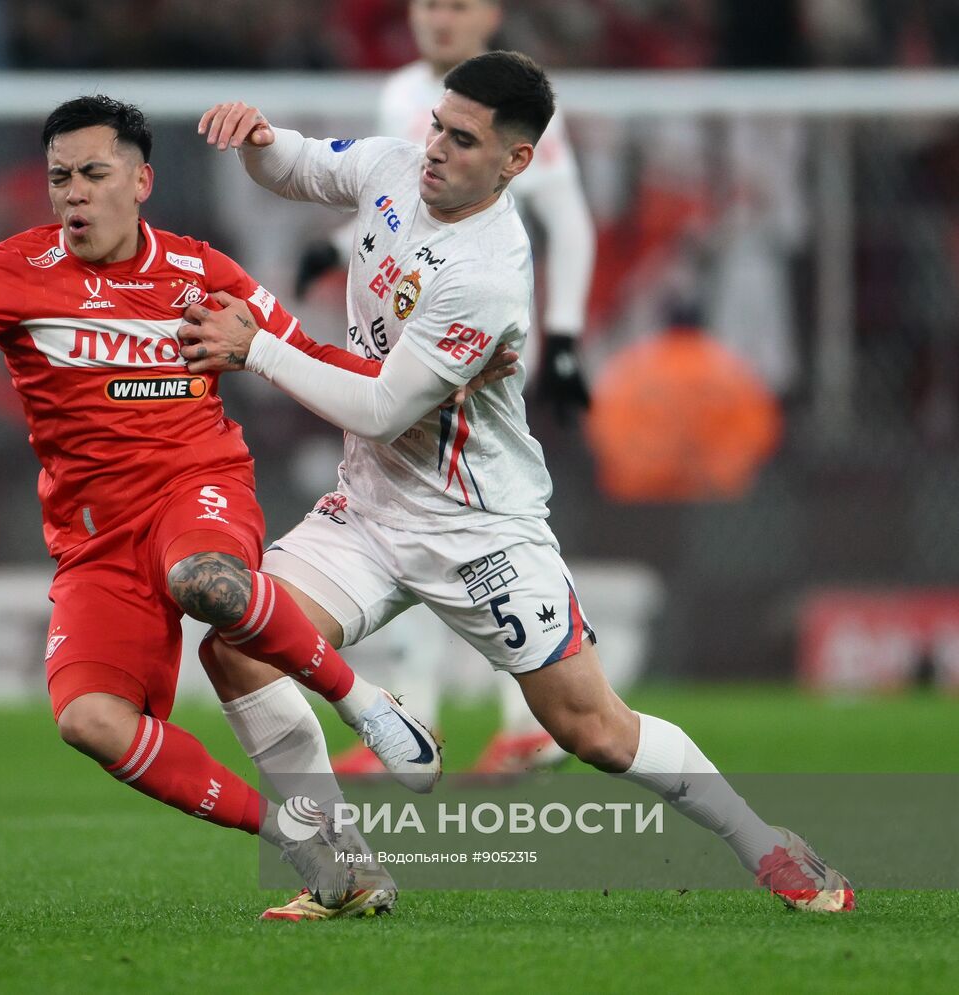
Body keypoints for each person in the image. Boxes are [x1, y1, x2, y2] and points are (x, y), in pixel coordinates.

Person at [183, 52, 854, 913]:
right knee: (237, 644)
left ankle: (764, 843)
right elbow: (304, 166)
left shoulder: (487, 275)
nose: (435, 150)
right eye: (438, 125)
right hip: (370, 508)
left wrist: (258, 349)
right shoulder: (395, 164)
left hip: (480, 529)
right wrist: (259, 138)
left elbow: (384, 407)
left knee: (593, 730)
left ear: (515, 161)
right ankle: (343, 868)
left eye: (463, 141)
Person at [0, 95, 482, 918]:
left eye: (94, 173)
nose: (74, 195)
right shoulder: (16, 272)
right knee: (91, 720)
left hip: (195, 488)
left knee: (206, 579)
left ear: (141, 181)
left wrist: (422, 392)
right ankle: (304, 841)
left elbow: (306, 356)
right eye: (60, 178)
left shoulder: (203, 273)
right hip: (94, 540)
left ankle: (367, 705)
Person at [303, 0, 604, 777]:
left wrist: (564, 336)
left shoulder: (515, 106)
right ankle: (419, 713)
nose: (440, 18)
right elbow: (394, 198)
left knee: (471, 514)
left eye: (459, 5)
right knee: (413, 513)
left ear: (491, 16)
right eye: (429, 3)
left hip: (472, 332)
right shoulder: (403, 94)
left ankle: (527, 717)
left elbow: (567, 217)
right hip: (407, 326)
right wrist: (334, 246)